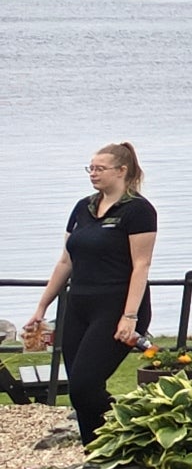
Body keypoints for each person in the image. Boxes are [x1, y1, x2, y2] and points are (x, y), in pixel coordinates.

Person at [23, 143, 158, 442]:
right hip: (79, 306)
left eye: (100, 169)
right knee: (80, 392)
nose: (93, 174)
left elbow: (141, 265)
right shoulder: (83, 207)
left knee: (85, 384)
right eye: (91, 168)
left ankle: (138, 431)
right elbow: (65, 260)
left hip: (116, 307)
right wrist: (41, 307)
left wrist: (130, 317)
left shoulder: (138, 210)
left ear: (122, 171)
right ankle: (96, 455)